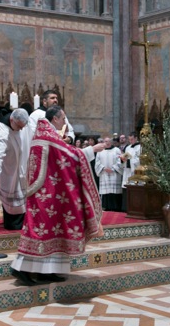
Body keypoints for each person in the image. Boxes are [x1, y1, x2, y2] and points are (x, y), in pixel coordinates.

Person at [10, 105, 103, 286]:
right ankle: (21, 269)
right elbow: (70, 156)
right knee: (40, 231)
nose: (64, 122)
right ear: (55, 119)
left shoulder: (45, 134)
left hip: (48, 192)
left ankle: (47, 271)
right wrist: (92, 150)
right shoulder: (49, 136)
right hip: (45, 194)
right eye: (63, 118)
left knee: (50, 230)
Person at [0, 108, 33, 230]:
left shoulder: (23, 125)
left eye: (23, 126)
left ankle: (23, 223)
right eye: (19, 126)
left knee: (23, 195)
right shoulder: (1, 130)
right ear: (11, 119)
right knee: (12, 196)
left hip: (22, 166)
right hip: (9, 169)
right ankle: (12, 225)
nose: (21, 129)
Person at [95, 136, 123, 211]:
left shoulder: (116, 150)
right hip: (104, 173)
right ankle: (106, 206)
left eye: (109, 141)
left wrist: (113, 169)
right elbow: (97, 162)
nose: (107, 143)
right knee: (106, 192)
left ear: (111, 142)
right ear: (104, 142)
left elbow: (120, 161)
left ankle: (116, 207)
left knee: (114, 191)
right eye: (106, 141)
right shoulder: (100, 151)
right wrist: (104, 168)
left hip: (114, 174)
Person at [120, 132, 141, 211]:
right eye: (129, 139)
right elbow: (125, 158)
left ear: (136, 138)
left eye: (132, 139)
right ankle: (125, 208)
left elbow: (139, 160)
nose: (130, 141)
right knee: (126, 188)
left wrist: (129, 160)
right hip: (127, 171)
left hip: (135, 172)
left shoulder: (140, 147)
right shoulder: (128, 147)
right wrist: (122, 159)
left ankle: (134, 208)